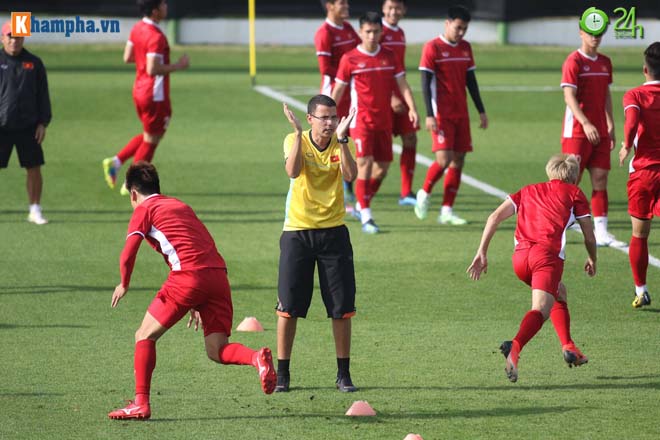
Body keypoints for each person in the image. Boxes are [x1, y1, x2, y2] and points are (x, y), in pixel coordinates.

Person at [108, 162, 276, 420]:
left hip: (188, 276)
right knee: (216, 349)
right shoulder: (179, 205)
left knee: (143, 335)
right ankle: (256, 359)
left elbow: (128, 253)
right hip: (218, 276)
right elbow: (198, 244)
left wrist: (124, 283)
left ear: (133, 193)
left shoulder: (144, 208)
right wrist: (198, 299)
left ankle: (140, 403)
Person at [467, 154, 597, 382]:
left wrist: (482, 251)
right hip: (545, 259)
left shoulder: (528, 190)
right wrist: (592, 258)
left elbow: (494, 217)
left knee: (559, 292)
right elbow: (589, 234)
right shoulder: (574, 193)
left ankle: (569, 346)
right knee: (541, 309)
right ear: (574, 178)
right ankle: (515, 346)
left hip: (520, 259)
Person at [276, 95, 358, 392]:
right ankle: (283, 374)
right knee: (288, 307)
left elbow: (350, 175)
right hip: (297, 233)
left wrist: (344, 140)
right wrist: (299, 133)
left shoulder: (342, 142)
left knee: (342, 308)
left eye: (334, 117)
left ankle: (343, 374)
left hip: (334, 233)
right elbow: (293, 171)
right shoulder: (293, 139)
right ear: (310, 118)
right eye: (324, 117)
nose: (330, 123)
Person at [332, 11, 418, 233]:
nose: (372, 36)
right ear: (360, 32)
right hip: (361, 121)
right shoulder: (350, 58)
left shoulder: (389, 56)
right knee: (365, 164)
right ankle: (367, 217)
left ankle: (361, 204)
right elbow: (339, 89)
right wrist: (328, 116)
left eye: (376, 32)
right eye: (368, 31)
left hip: (384, 121)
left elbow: (402, 84)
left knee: (382, 169)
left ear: (381, 32)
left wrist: (412, 107)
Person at [102, 0, 189, 196]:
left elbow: (127, 56)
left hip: (139, 90)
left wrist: (146, 58)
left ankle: (116, 162)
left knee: (150, 134)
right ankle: (131, 183)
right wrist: (178, 65)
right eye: (163, 4)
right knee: (151, 140)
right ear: (155, 11)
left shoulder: (137, 28)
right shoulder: (156, 36)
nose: (166, 7)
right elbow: (153, 68)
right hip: (154, 95)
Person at [415, 5, 487, 225]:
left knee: (459, 160)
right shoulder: (432, 47)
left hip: (461, 113)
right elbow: (425, 83)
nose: (461, 32)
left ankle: (446, 210)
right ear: (447, 24)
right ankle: (424, 193)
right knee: (444, 159)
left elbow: (471, 81)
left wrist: (481, 110)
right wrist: (429, 114)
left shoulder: (465, 48)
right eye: (458, 28)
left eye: (465, 29)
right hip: (441, 114)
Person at [560, 15, 624, 247]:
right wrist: (586, 123)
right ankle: (559, 228)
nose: (595, 37)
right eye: (591, 33)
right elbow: (569, 96)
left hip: (600, 132)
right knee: (570, 182)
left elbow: (606, 95)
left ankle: (602, 232)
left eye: (599, 33)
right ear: (581, 33)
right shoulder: (573, 61)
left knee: (600, 178)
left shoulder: (605, 62)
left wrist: (611, 124)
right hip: (577, 132)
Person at [618, 42, 660, 309]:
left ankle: (641, 289)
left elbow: (632, 122)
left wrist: (626, 145)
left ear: (645, 69)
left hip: (644, 173)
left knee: (640, 234)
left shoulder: (634, 94)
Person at [0, 21, 51, 225]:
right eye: (10, 36)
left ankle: (35, 210)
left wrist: (43, 122)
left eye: (18, 36)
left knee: (34, 168)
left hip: (28, 126)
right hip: (1, 125)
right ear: (2, 38)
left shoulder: (34, 63)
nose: (14, 40)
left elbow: (43, 95)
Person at [315, 0, 359, 204]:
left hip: (351, 91)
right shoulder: (324, 33)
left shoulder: (348, 28)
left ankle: (347, 184)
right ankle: (326, 183)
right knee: (331, 138)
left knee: (347, 137)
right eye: (342, 3)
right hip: (333, 92)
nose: (347, 6)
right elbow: (325, 68)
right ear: (330, 6)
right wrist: (347, 74)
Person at [380, 0, 419, 206]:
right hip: (380, 95)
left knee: (410, 138)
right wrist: (390, 96)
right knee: (374, 151)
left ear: (404, 10)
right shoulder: (376, 31)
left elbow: (399, 71)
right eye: (390, 8)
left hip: (399, 93)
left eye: (397, 8)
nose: (393, 12)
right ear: (383, 9)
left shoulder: (400, 33)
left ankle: (406, 193)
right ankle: (352, 190)